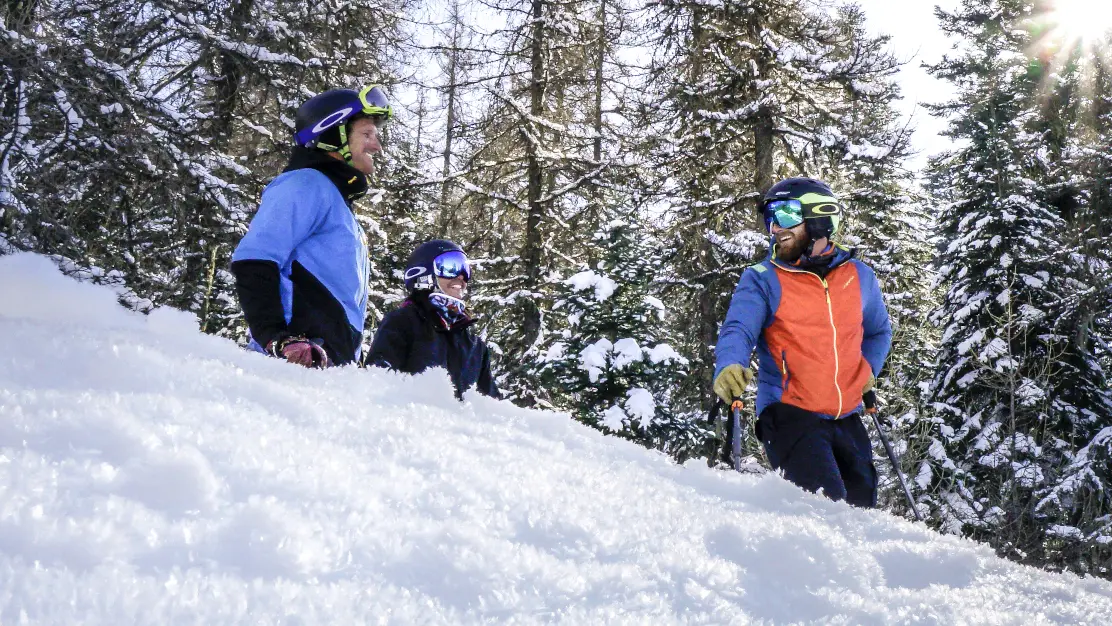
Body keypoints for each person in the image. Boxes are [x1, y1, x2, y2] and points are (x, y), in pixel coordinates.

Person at [713, 177, 892, 507]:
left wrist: (868, 368)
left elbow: (879, 332)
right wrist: (729, 364)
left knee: (862, 509)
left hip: (846, 414)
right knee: (827, 505)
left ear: (820, 218)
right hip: (788, 412)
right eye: (771, 218)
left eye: (785, 214)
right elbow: (738, 329)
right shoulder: (764, 278)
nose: (775, 227)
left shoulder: (859, 276)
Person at [231, 85, 392, 367]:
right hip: (291, 366)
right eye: (366, 134)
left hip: (325, 369)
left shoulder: (335, 200)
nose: (377, 146)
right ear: (332, 135)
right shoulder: (305, 184)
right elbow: (254, 260)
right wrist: (276, 337)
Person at [365, 239, 500, 399]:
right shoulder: (403, 322)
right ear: (424, 273)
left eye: (466, 270)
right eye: (452, 266)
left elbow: (492, 406)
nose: (462, 277)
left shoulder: (475, 347)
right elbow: (376, 380)